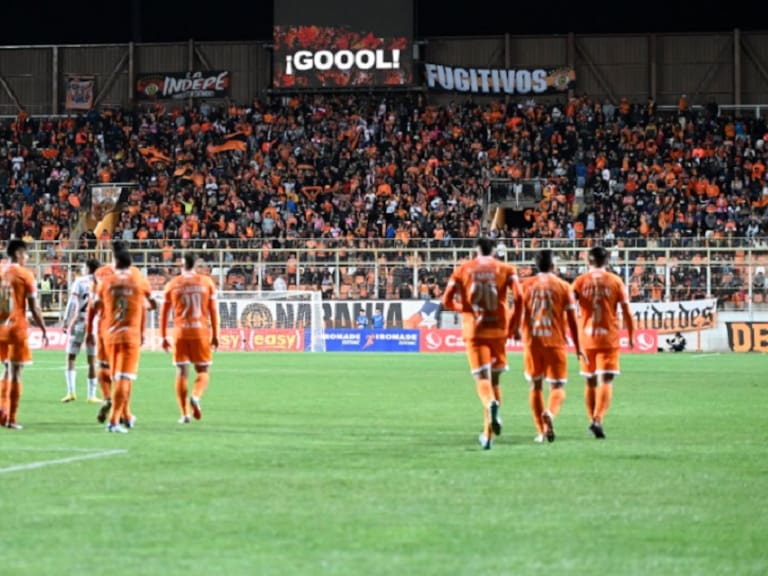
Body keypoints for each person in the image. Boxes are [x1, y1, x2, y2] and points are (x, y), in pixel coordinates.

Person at [441, 237, 522, 450]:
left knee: (481, 378)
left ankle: (490, 405)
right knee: (495, 380)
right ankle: (487, 435)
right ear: (494, 251)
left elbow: (446, 301)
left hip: (475, 329)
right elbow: (520, 297)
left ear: (476, 251)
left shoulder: (463, 269)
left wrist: (465, 310)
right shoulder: (506, 268)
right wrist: (514, 325)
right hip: (498, 329)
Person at [517, 250, 584, 443]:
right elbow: (572, 319)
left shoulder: (526, 285)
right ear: (553, 265)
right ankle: (550, 414)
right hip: (555, 341)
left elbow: (517, 311)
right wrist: (578, 347)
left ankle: (540, 431)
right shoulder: (563, 286)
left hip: (532, 341)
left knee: (535, 385)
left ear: (536, 265)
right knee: (557, 386)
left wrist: (513, 330)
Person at [572, 246, 634, 439]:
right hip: (608, 337)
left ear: (588, 261)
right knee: (606, 380)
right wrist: (631, 335)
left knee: (589, 381)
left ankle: (592, 419)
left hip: (586, 338)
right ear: (606, 261)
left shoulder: (580, 281)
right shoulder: (615, 281)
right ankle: (597, 419)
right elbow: (626, 311)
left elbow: (569, 307)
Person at [87, 246, 151, 433]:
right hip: (128, 329)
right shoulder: (136, 276)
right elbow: (146, 305)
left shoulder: (101, 275)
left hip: (105, 328)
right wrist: (142, 331)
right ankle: (121, 414)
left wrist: (91, 328)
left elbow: (93, 304)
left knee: (105, 368)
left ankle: (111, 400)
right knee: (124, 376)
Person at [161, 253, 219, 423]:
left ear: (182, 265)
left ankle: (184, 413)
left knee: (181, 372)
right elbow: (213, 311)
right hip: (200, 331)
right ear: (196, 265)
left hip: (180, 332)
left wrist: (163, 336)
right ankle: (196, 395)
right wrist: (215, 334)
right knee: (203, 371)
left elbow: (164, 312)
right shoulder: (206, 282)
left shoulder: (173, 284)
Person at [0, 240, 49, 429]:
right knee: (16, 372)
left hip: (1, 328)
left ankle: (2, 409)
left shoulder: (2, 272)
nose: (27, 258)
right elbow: (34, 307)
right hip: (16, 329)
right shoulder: (24, 275)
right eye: (26, 254)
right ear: (19, 254)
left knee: (6, 369)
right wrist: (43, 329)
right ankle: (11, 418)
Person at [61, 259, 101, 403]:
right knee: (92, 360)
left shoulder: (80, 282)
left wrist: (66, 321)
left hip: (79, 322)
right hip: (94, 324)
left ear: (88, 268)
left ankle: (71, 393)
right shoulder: (100, 283)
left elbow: (72, 303)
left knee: (71, 357)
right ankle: (91, 395)